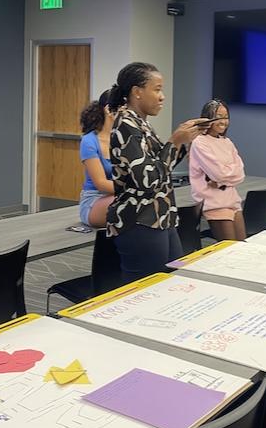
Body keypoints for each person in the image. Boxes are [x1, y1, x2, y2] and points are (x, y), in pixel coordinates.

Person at [105, 62, 206, 282]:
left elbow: (163, 166)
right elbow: (147, 179)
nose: (162, 97)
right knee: (145, 288)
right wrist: (174, 140)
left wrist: (184, 141)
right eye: (157, 89)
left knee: (172, 280)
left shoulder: (141, 124)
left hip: (160, 216)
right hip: (139, 219)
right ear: (137, 92)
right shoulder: (126, 125)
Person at [188, 99, 246, 241]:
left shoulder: (227, 142)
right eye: (218, 116)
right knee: (228, 251)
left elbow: (241, 174)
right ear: (207, 118)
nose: (223, 121)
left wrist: (222, 181)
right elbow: (218, 173)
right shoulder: (200, 143)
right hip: (214, 204)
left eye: (226, 117)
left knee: (243, 247)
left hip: (232, 201)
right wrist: (225, 177)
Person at [78, 90, 115, 228]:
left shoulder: (123, 139)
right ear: (108, 109)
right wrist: (133, 189)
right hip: (94, 200)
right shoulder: (89, 141)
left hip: (121, 195)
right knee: (130, 202)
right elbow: (101, 183)